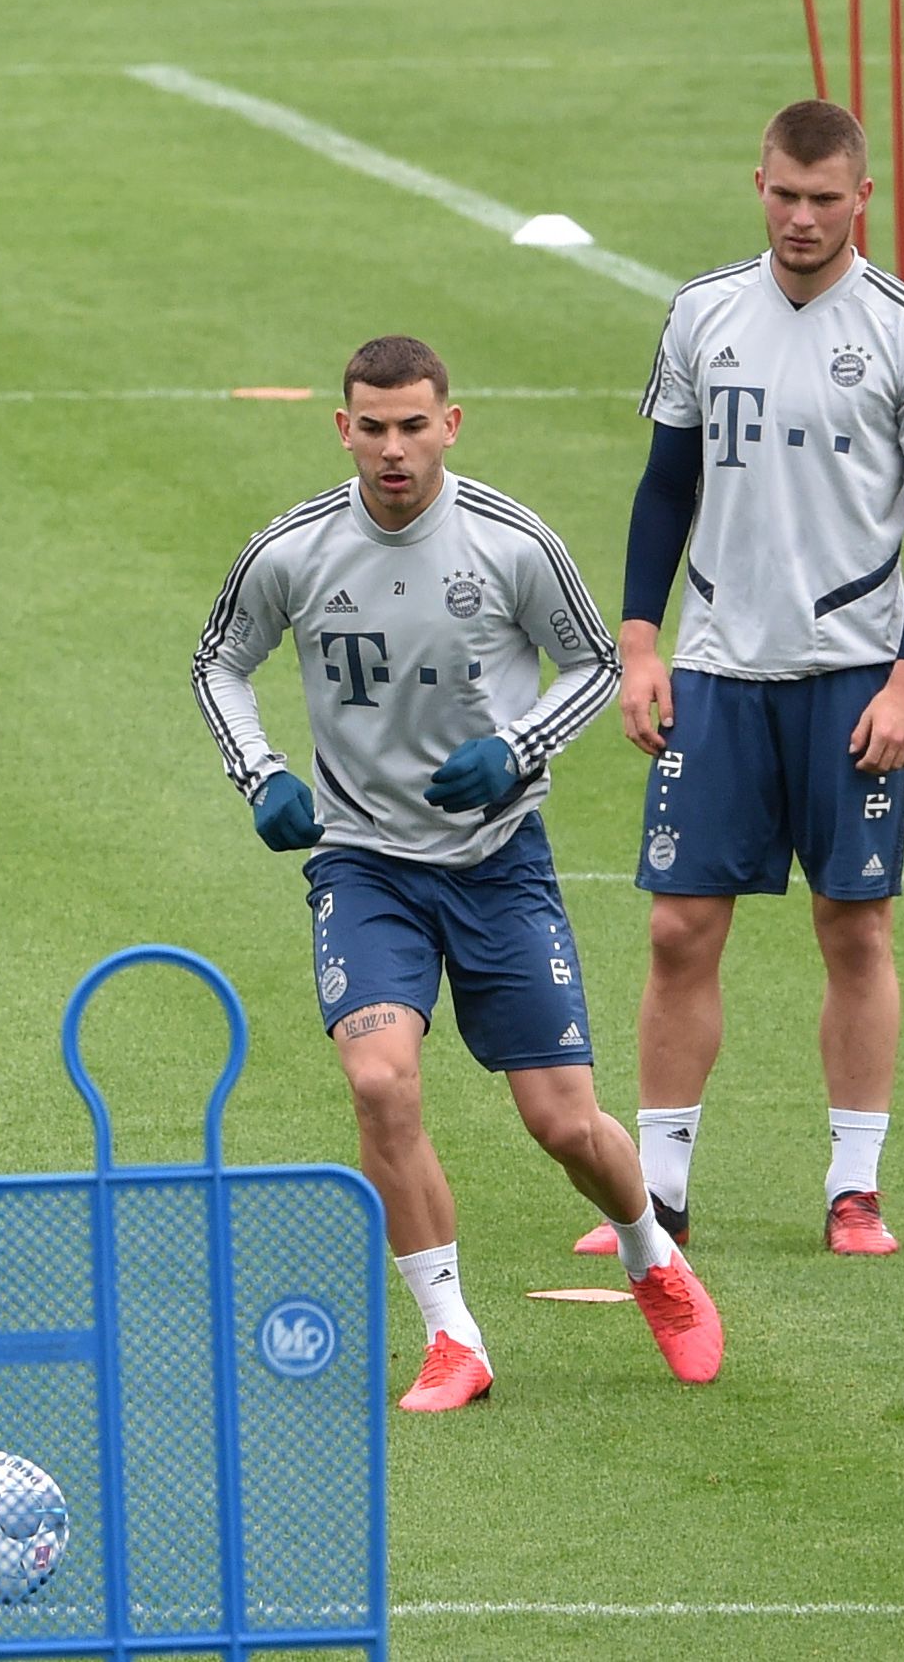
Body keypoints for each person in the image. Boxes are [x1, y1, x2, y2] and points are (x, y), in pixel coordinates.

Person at [192, 336, 721, 1411]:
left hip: (495, 864)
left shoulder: (509, 540)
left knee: (562, 1120)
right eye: (372, 427)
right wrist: (260, 774)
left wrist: (518, 750)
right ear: (343, 427)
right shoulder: (293, 550)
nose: (394, 449)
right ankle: (453, 1337)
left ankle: (650, 1258)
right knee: (380, 1080)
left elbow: (595, 663)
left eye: (413, 425)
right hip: (362, 860)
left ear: (451, 423)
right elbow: (220, 662)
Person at [591, 98, 904, 1260]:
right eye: (784, 195)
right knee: (677, 928)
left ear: (864, 198)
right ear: (756, 182)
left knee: (853, 924)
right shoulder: (704, 313)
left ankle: (853, 1188)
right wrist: (641, 642)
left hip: (852, 675)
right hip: (714, 667)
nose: (802, 218)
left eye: (824, 199)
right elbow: (665, 488)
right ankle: (659, 1194)